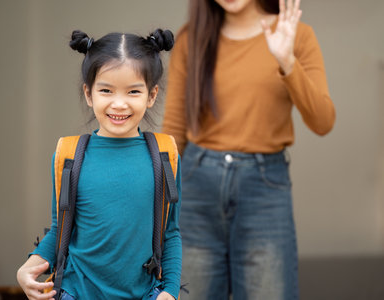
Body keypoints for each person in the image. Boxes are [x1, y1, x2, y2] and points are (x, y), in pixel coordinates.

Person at [162, 0, 335, 299]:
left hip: (265, 188)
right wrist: (154, 202)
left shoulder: (297, 35)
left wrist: (287, 61)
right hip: (195, 186)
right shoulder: (191, 38)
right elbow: (173, 132)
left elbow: (323, 121)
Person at [17, 29, 182, 300]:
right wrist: (28, 267)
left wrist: (170, 291)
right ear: (89, 93)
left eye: (133, 91)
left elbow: (171, 233)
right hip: (76, 292)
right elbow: (60, 229)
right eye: (106, 90)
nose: (119, 103)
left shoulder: (165, 155)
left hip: (143, 294)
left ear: (151, 95)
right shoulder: (69, 155)